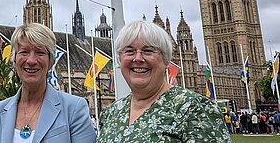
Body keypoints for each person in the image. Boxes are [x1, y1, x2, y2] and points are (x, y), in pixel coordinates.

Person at [97, 20, 231, 142]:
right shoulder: (111, 112)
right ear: (120, 59)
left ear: (166, 60)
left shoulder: (196, 108)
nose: (138, 58)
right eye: (129, 51)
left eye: (148, 51)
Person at [0, 23, 96, 143]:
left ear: (50, 60)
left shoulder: (74, 109)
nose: (31, 60)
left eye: (40, 52)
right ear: (15, 59)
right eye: (24, 52)